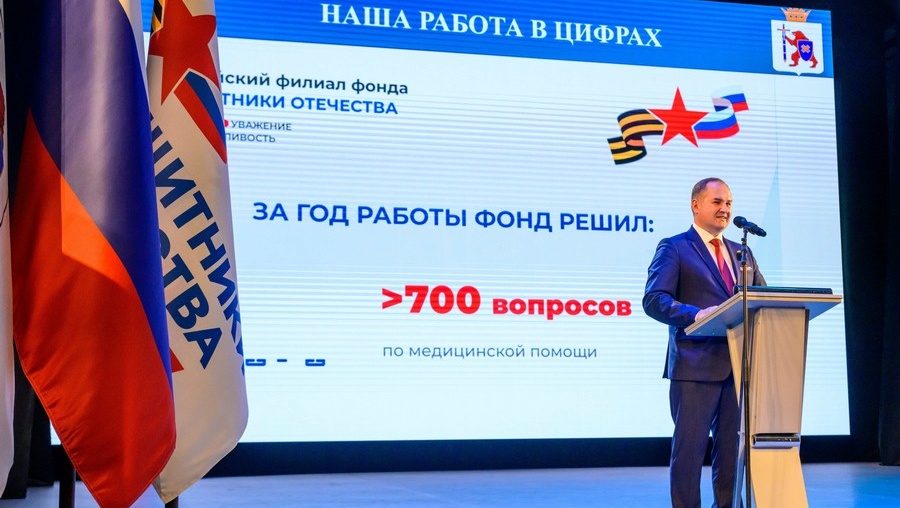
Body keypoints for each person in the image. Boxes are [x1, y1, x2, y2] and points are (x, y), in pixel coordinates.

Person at [643, 177, 766, 508]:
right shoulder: (675, 247)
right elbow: (654, 299)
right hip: (694, 366)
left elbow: (762, 299)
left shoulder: (742, 252)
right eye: (717, 202)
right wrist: (696, 314)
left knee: (731, 453)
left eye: (728, 203)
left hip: (738, 366)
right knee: (689, 453)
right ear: (696, 205)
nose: (725, 209)